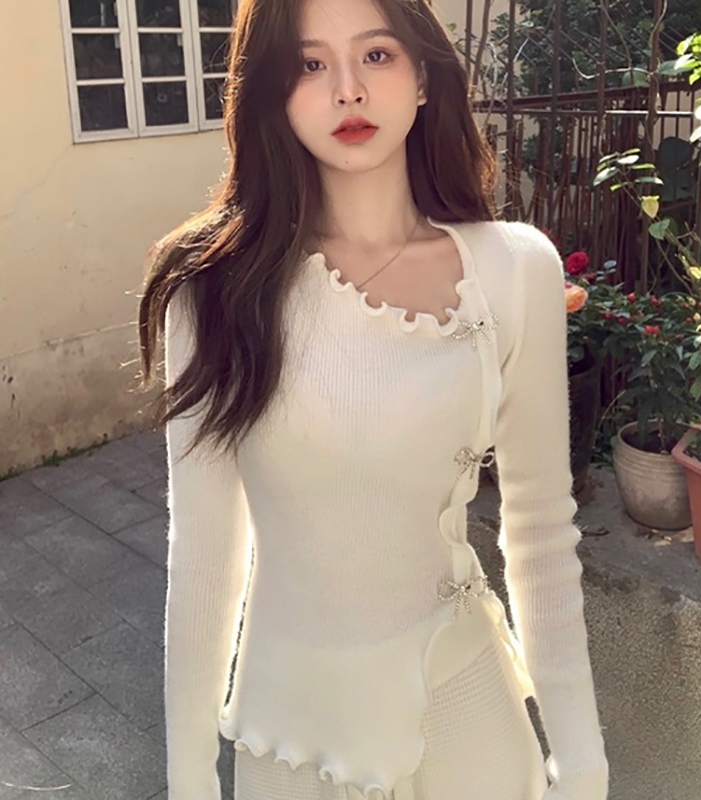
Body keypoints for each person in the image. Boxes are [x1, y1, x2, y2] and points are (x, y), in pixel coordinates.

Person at [137, 0, 609, 798]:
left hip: (469, 717)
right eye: (310, 63)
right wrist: (189, 779)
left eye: (377, 55)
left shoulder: (514, 269)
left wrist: (583, 760)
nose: (347, 89)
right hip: (291, 738)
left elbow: (539, 530)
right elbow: (206, 554)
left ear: (423, 74)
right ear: (273, 91)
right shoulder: (214, 290)